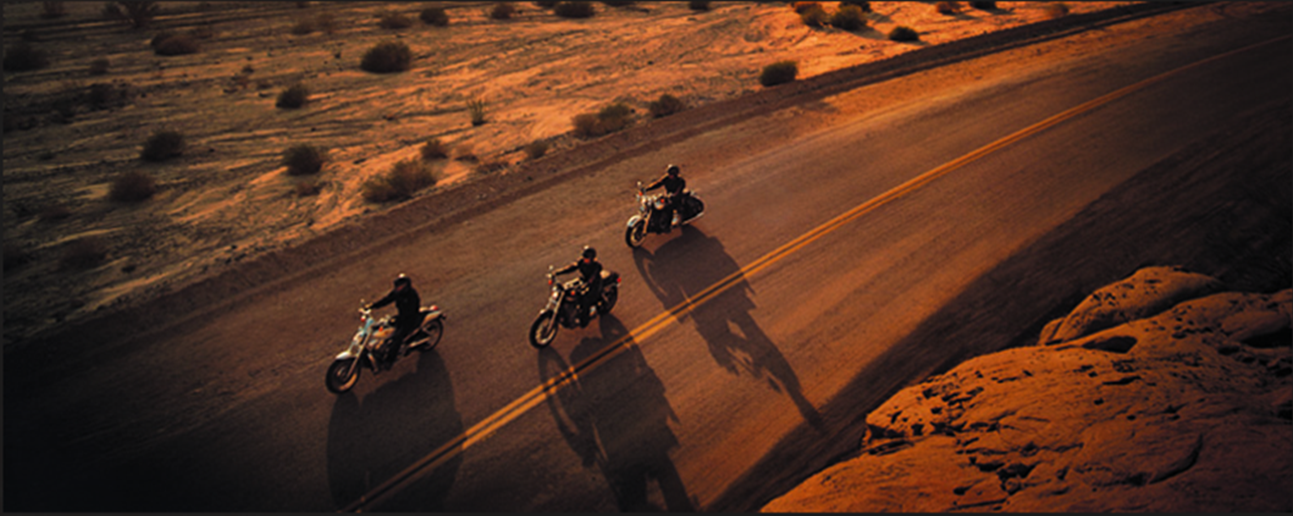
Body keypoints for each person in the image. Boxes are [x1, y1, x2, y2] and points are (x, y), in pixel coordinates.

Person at [366, 273, 421, 369]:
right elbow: (386, 300)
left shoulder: (412, 295)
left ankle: (389, 361)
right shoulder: (398, 293)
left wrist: (399, 319)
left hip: (411, 319)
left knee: (397, 338)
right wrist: (373, 306)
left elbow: (412, 311)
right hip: (402, 317)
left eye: (400, 286)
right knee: (384, 327)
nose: (398, 288)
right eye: (397, 286)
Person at [553, 246, 603, 327]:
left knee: (585, 300)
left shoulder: (596, 266)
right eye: (584, 257)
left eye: (587, 258)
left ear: (592, 259)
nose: (585, 259)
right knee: (567, 288)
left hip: (594, 285)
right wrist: (558, 272)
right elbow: (572, 267)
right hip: (583, 280)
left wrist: (585, 286)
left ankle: (584, 320)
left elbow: (592, 278)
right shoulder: (581, 262)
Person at [642, 164, 687, 232]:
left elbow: (678, 191)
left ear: (675, 175)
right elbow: (658, 184)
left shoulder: (680, 181)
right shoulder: (666, 178)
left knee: (669, 208)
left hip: (677, 198)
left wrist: (673, 195)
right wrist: (647, 189)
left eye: (671, 174)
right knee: (655, 205)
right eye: (669, 174)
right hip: (668, 196)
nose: (669, 175)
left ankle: (667, 226)